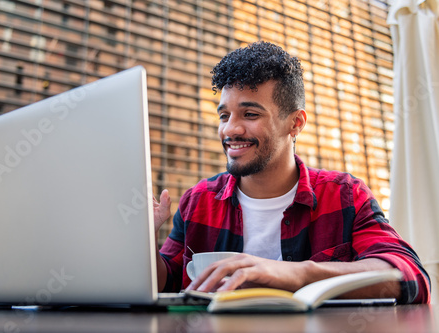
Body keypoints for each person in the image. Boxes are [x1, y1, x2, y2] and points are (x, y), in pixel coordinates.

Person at [153, 41, 430, 304]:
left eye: (250, 114)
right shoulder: (197, 201)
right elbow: (168, 283)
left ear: (295, 123)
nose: (230, 130)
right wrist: (143, 243)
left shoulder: (345, 195)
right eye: (224, 116)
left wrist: (300, 275)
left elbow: (411, 278)